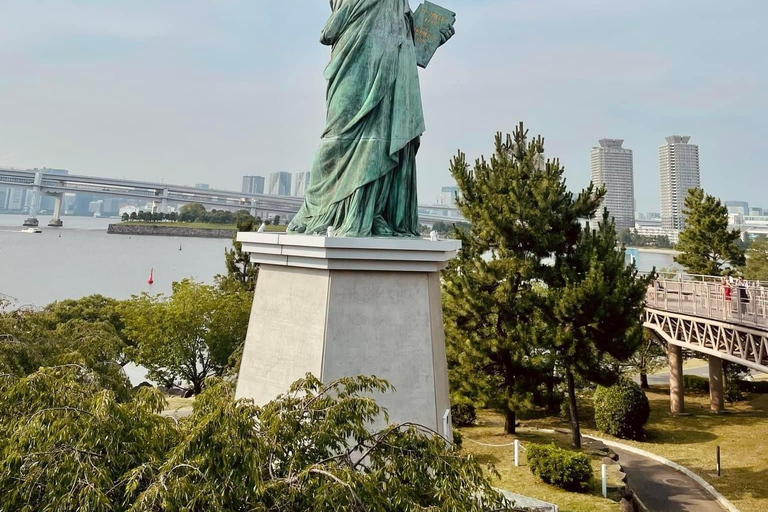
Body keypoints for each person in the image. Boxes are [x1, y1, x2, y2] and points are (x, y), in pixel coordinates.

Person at [287, 0, 455, 237]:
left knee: (385, 134)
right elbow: (332, 27)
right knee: (339, 134)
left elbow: (400, 21)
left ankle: (373, 211)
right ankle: (317, 211)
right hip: (355, 44)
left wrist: (428, 35)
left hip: (395, 53)